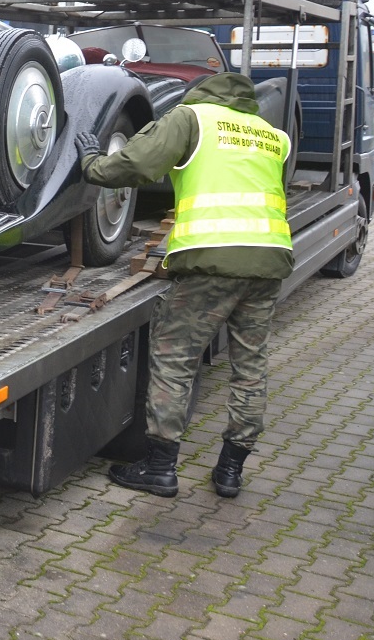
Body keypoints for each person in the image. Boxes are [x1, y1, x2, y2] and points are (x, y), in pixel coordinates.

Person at [77, 71, 293, 498]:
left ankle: (160, 468)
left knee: (175, 359)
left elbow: (137, 163)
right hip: (269, 259)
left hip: (212, 260)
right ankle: (230, 471)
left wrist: (91, 164)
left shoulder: (192, 118)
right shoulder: (272, 135)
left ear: (201, 93)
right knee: (250, 367)